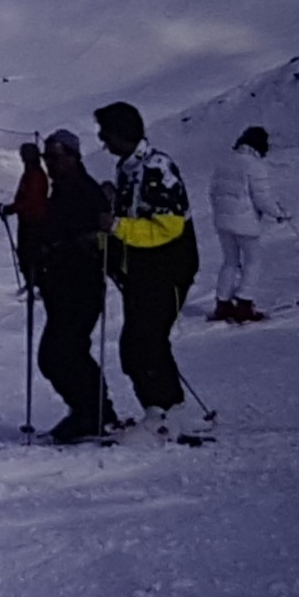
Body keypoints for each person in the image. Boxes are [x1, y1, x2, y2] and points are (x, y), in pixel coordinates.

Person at [94, 101, 199, 442]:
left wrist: (117, 227)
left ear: (121, 134)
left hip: (166, 268)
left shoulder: (158, 168)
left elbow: (168, 227)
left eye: (105, 134)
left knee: (148, 340)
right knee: (135, 343)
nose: (102, 141)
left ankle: (171, 412)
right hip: (141, 269)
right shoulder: (130, 167)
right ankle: (157, 410)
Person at [30, 130, 117, 442]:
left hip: (80, 286)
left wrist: (56, 248)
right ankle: (92, 412)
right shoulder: (65, 190)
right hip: (62, 285)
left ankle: (92, 413)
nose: (49, 163)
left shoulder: (83, 191)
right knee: (65, 353)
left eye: (54, 157)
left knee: (59, 354)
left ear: (73, 156)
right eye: (46, 158)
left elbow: (88, 238)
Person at [207, 126, 289, 323]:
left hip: (223, 221)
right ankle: (244, 304)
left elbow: (213, 192)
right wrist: (279, 214)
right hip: (245, 223)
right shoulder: (254, 166)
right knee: (253, 261)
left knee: (230, 262)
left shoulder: (223, 162)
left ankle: (222, 304)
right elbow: (261, 198)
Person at [0, 142, 48, 280]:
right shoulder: (30, 173)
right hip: (27, 219)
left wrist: (11, 209)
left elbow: (31, 200)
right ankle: (31, 282)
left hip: (34, 220)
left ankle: (35, 283)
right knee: (25, 252)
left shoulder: (35, 175)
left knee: (30, 253)